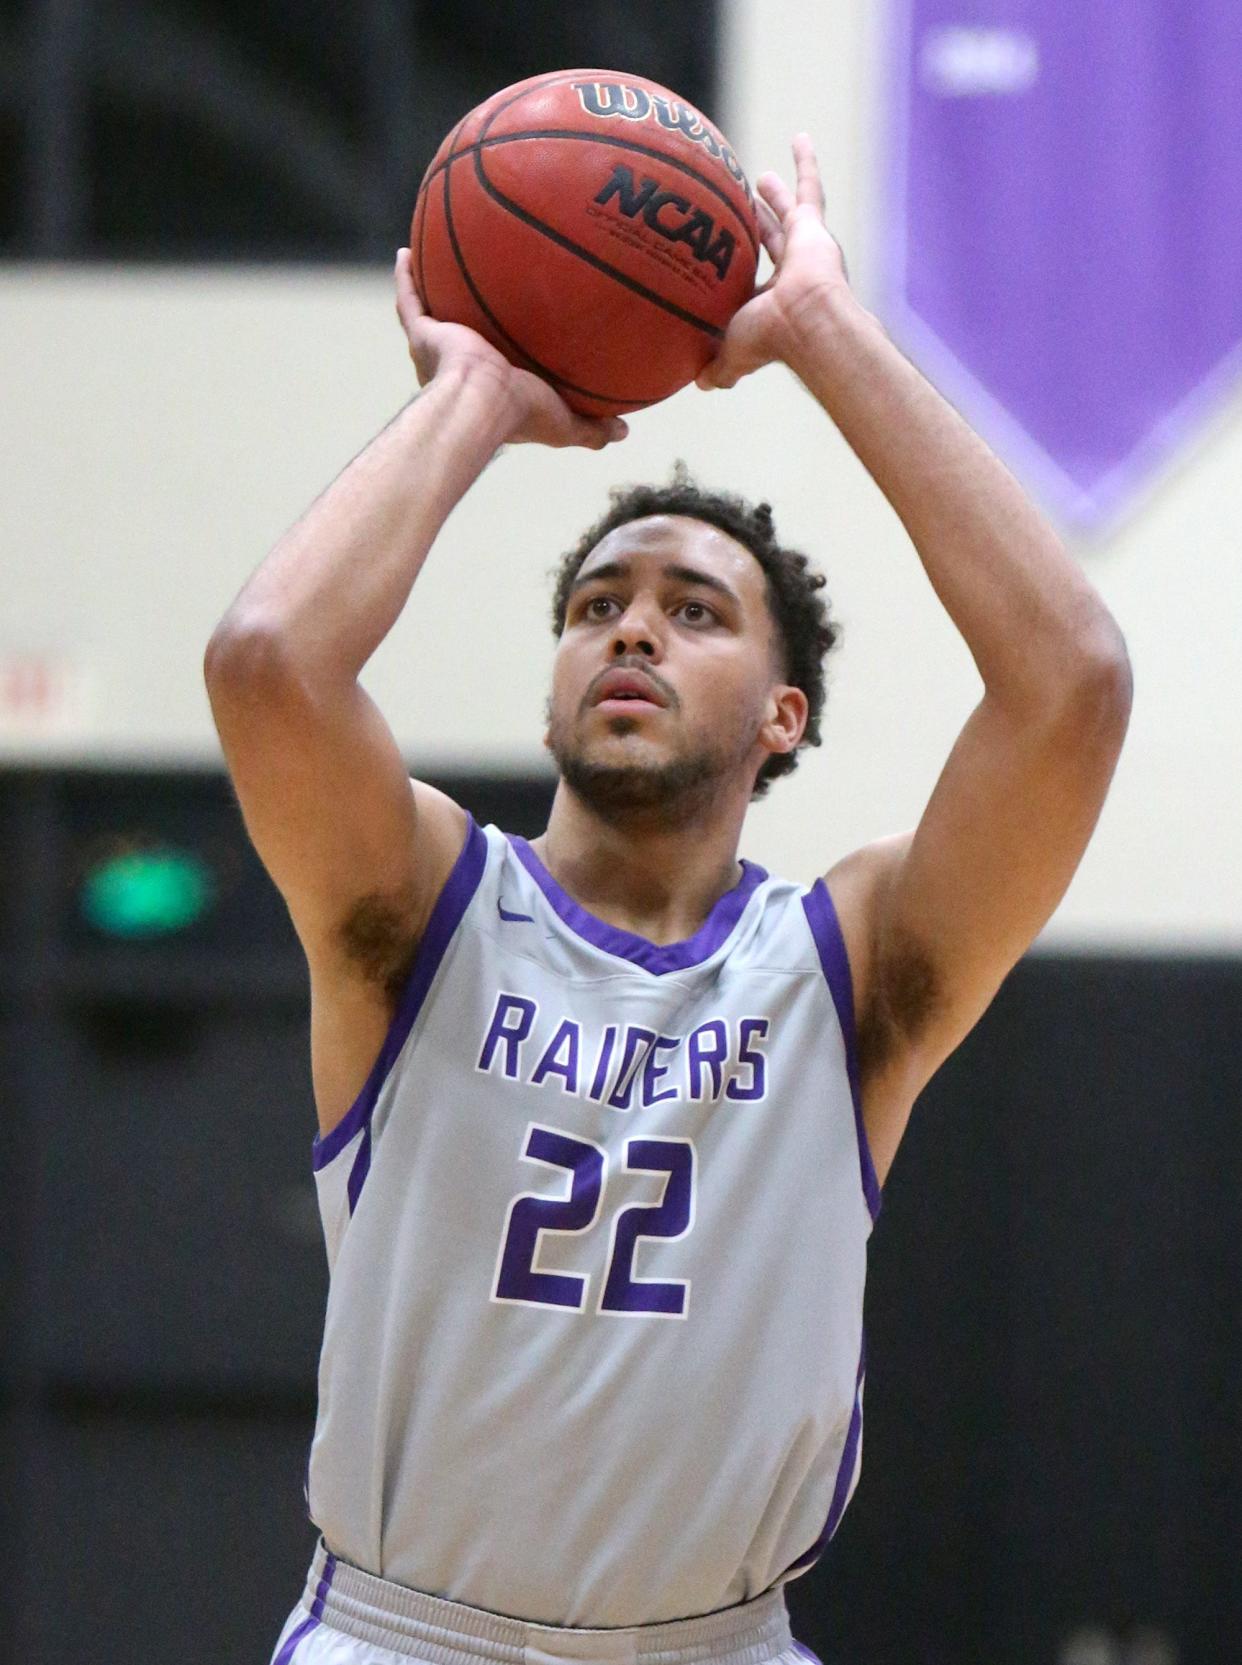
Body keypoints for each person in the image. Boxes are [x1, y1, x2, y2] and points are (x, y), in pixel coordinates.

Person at [205, 136, 1131, 1665]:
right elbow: (265, 662)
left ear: (781, 714)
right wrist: (477, 394)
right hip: (402, 1636)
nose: (629, 628)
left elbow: (1073, 687)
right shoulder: (421, 903)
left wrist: (821, 330)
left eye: (690, 612)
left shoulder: (851, 968)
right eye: (595, 606)